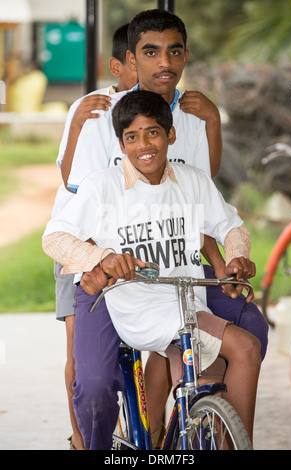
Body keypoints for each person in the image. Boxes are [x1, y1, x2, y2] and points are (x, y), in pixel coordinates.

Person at [48, 9, 267, 448]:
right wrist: (99, 262)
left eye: (155, 134)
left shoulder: (191, 116)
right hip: (112, 275)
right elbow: (70, 212)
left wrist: (228, 260)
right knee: (94, 381)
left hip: (176, 280)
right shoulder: (98, 116)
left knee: (248, 333)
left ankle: (214, 426)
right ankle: (91, 442)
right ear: (130, 59)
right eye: (150, 52)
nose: (144, 145)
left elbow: (208, 213)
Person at [52, 23, 138, 450]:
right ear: (118, 65)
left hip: (133, 243)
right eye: (140, 62)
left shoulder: (158, 110)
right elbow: (69, 179)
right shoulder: (90, 107)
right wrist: (80, 122)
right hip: (80, 244)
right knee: (79, 349)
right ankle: (82, 441)